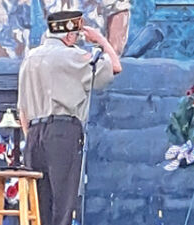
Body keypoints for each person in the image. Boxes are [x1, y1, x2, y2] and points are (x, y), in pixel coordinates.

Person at [17, 11, 122, 225]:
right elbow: (115, 67)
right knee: (63, 203)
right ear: (69, 36)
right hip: (63, 132)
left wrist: (32, 137)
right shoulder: (73, 56)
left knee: (38, 204)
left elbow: (22, 112)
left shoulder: (29, 59)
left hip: (34, 134)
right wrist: (101, 40)